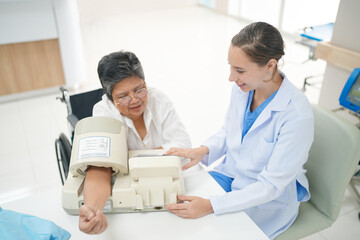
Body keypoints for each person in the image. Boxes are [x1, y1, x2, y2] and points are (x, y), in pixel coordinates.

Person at [166, 22, 314, 239]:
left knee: (202, 231)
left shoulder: (296, 116)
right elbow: (230, 130)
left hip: (263, 199)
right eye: (230, 67)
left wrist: (211, 205)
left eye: (240, 70)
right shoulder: (244, 88)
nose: (231, 77)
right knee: (178, 205)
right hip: (230, 174)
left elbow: (271, 186)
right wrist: (203, 150)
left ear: (270, 66)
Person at [79, 50, 191, 234]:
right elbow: (101, 167)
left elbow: (184, 147)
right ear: (110, 98)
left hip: (165, 191)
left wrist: (128, 160)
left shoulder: (159, 99)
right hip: (132, 200)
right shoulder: (103, 112)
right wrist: (92, 210)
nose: (135, 99)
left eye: (139, 89)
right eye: (123, 96)